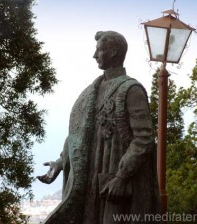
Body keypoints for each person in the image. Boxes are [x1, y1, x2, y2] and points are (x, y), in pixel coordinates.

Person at [37, 31, 160, 224]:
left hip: (115, 182)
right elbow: (80, 135)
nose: (94, 55)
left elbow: (143, 138)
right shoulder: (93, 90)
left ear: (112, 52)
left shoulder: (131, 89)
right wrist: (61, 163)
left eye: (99, 50)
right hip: (91, 183)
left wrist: (121, 177)